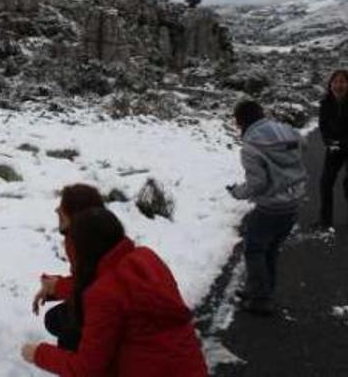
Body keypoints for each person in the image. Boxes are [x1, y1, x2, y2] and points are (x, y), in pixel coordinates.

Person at [21, 207, 207, 377]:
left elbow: (85, 369)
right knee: (61, 319)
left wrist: (38, 354)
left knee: (72, 329)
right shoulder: (145, 257)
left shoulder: (103, 295)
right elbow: (115, 283)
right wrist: (58, 286)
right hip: (189, 368)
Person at [227, 99, 307, 315]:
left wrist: (237, 192)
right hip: (293, 202)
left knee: (255, 250)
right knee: (270, 250)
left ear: (241, 120)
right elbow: (304, 145)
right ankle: (261, 290)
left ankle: (260, 299)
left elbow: (257, 184)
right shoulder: (285, 129)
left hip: (270, 208)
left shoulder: (251, 145)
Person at [32, 184, 104, 351]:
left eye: (63, 207)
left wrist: (56, 287)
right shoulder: (77, 238)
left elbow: (96, 287)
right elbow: (87, 280)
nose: (57, 210)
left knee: (68, 329)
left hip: (111, 310)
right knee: (57, 320)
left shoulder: (95, 243)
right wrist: (53, 286)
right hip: (101, 302)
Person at [318, 69, 348, 229]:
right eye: (335, 82)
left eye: (342, 81)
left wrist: (341, 143)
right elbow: (322, 126)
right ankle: (325, 221)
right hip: (334, 147)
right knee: (325, 183)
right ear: (330, 85)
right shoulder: (325, 103)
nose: (338, 85)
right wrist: (328, 142)